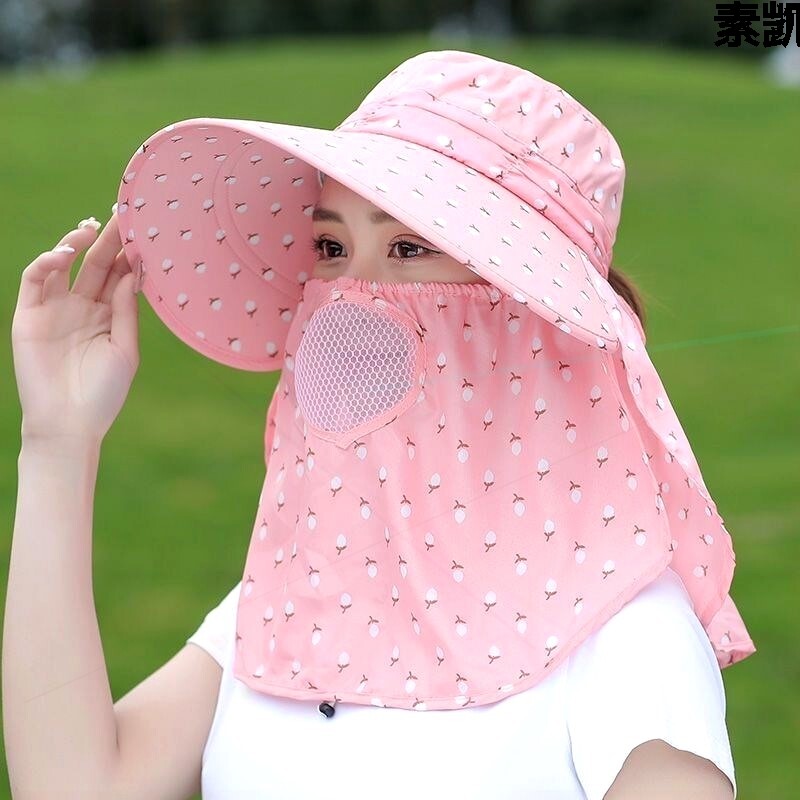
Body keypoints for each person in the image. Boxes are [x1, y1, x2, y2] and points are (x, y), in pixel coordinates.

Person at [6, 49, 755, 800]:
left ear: (531, 311)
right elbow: (73, 789)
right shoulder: (295, 598)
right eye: (331, 249)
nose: (352, 295)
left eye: (410, 248)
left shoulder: (625, 634)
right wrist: (58, 441)